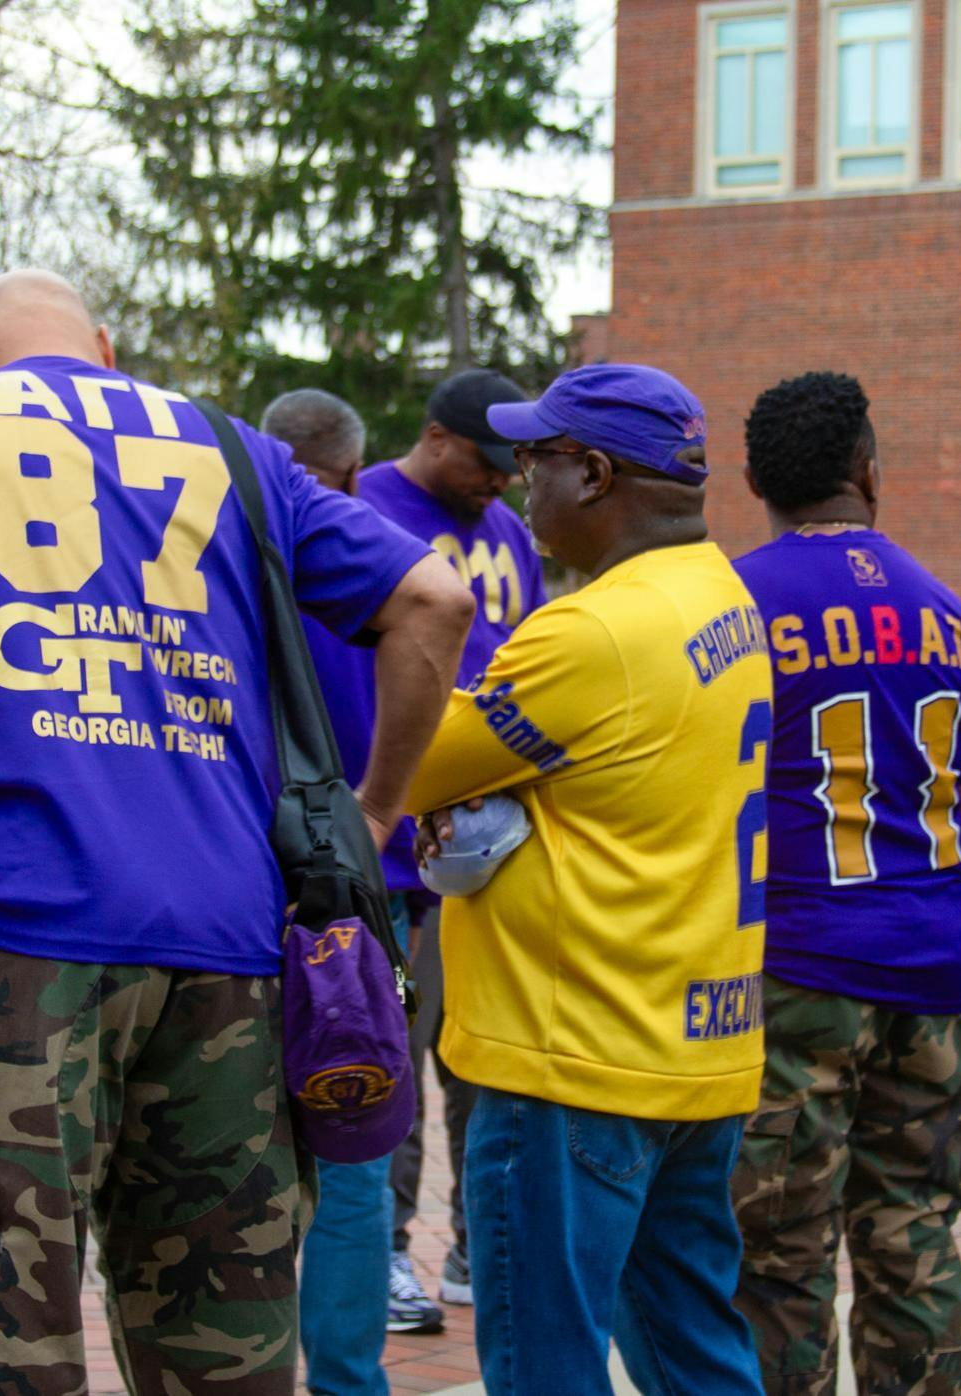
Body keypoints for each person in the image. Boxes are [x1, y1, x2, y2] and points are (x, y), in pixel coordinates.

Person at [0, 268, 473, 1396]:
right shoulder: (234, 450)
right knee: (225, 1353)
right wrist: (374, 809)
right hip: (228, 945)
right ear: (106, 349)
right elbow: (433, 600)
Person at [407, 363, 769, 1396]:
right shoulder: (721, 592)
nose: (524, 482)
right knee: (699, 1360)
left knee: (544, 1368)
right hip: (694, 1052)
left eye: (538, 459)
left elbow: (410, 762)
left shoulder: (595, 628)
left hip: (572, 1066)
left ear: (597, 474)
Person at [728, 373, 961, 1396]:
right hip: (931, 971)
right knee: (913, 1237)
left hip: (797, 971)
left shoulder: (732, 607)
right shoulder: (952, 617)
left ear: (754, 481)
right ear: (868, 470)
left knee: (778, 1256)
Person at [359, 367, 545, 1328]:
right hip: (388, 844)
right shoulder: (363, 508)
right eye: (487, 460)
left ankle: (480, 1248)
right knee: (388, 1055)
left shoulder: (507, 531)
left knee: (480, 1057)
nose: (503, 480)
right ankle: (387, 1254)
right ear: (436, 438)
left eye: (515, 464)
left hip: (481, 849)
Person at [259, 387, 393, 1396]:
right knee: (351, 1137)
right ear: (347, 472)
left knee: (214, 1147)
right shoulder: (371, 564)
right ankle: (347, 1382)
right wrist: (380, 812)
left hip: (223, 881)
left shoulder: (204, 553)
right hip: (345, 885)